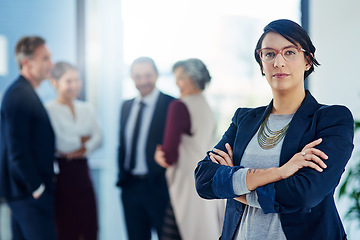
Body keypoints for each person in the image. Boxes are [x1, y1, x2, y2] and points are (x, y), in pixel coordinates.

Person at [194, 19, 354, 240]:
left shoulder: (331, 119)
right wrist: (278, 173)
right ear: (261, 62)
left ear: (308, 61)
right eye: (269, 54)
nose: (278, 62)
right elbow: (203, 180)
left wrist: (236, 186)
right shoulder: (244, 119)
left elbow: (303, 194)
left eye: (289, 52)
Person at [154, 58, 224, 240]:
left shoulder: (179, 106)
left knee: (176, 232)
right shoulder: (207, 106)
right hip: (206, 179)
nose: (177, 83)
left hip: (185, 183)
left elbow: (168, 156)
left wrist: (158, 155)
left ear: (192, 79)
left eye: (180, 78)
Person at [0, 36, 57, 240]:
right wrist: (37, 187)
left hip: (26, 193)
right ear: (27, 62)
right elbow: (17, 150)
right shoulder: (19, 95)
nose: (51, 64)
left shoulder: (25, 92)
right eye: (45, 58)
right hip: (28, 194)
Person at [116, 57, 175, 240]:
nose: (143, 81)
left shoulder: (172, 105)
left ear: (156, 75)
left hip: (159, 187)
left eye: (147, 75)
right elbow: (123, 146)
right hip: (130, 186)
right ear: (132, 78)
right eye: (137, 76)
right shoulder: (126, 106)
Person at [46, 62, 102, 240]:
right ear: (54, 82)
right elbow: (61, 143)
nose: (75, 85)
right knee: (66, 229)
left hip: (84, 173)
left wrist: (82, 147)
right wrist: (84, 139)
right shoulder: (49, 110)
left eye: (77, 80)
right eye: (68, 81)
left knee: (89, 227)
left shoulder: (86, 108)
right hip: (63, 176)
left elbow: (100, 138)